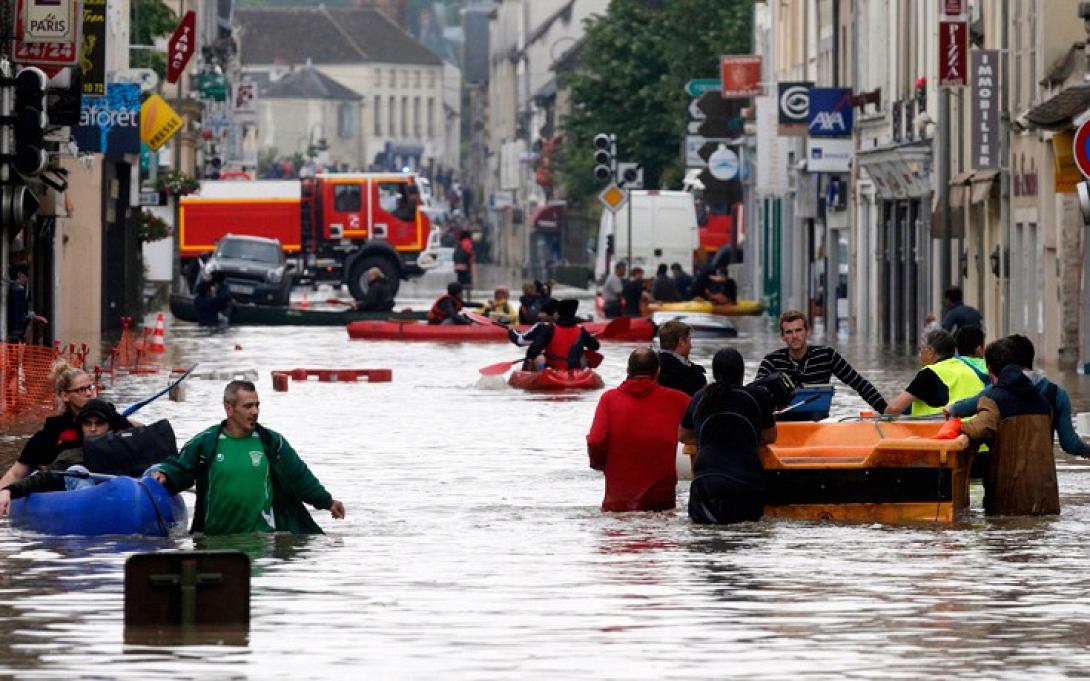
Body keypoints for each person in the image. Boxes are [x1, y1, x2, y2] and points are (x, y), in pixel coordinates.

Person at [151, 380, 345, 535]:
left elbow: (300, 477)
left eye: (257, 405)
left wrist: (328, 502)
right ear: (229, 408)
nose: (255, 412)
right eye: (248, 406)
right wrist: (166, 474)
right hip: (214, 539)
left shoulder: (271, 442)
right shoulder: (207, 442)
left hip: (262, 539)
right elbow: (181, 467)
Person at [0, 400, 176, 513]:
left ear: (110, 426)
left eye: (99, 423)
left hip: (139, 503)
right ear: (81, 427)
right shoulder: (75, 455)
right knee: (76, 470)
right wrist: (9, 490)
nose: (93, 429)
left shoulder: (131, 446)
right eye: (87, 424)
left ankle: (155, 504)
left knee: (156, 469)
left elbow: (175, 463)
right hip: (93, 508)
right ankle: (90, 509)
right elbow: (43, 478)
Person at [958, 339, 1059, 515]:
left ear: (990, 371)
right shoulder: (1043, 400)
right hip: (1046, 497)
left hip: (1010, 499)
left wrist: (957, 426)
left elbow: (977, 429)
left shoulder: (993, 398)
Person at [948, 334, 1090, 458]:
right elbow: (1070, 445)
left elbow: (965, 409)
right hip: (1044, 479)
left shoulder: (994, 392)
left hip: (1005, 481)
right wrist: (1087, 450)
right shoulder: (1057, 394)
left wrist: (951, 410)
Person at [680, 347, 779, 525]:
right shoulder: (756, 397)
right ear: (742, 374)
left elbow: (683, 435)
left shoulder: (700, 397)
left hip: (705, 486)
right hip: (745, 486)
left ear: (715, 373)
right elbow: (771, 436)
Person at [0, 360, 132, 490]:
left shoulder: (112, 418)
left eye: (90, 387)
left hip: (114, 483)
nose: (89, 393)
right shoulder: (50, 435)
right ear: (65, 396)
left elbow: (139, 436)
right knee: (76, 471)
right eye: (81, 390)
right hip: (71, 487)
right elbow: (16, 473)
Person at [586, 348, 690, 512]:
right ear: (658, 372)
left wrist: (598, 463)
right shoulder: (679, 400)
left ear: (628, 371)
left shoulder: (609, 399)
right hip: (659, 503)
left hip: (618, 503)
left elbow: (595, 440)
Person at [757, 310, 888, 413]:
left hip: (816, 419)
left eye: (798, 330)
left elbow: (859, 383)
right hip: (782, 420)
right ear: (783, 336)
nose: (794, 336)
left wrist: (884, 409)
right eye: (789, 332)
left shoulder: (827, 355)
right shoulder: (771, 361)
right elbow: (755, 393)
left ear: (807, 332)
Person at [884, 329, 986, 415]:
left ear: (931, 352)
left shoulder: (929, 373)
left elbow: (893, 409)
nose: (919, 354)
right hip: (974, 431)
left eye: (920, 349)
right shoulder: (970, 367)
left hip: (942, 432)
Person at [523, 299, 600, 371]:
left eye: (556, 312)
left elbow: (532, 351)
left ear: (559, 314)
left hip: (553, 370)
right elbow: (595, 346)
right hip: (575, 370)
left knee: (534, 358)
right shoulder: (581, 330)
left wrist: (532, 357)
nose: (554, 314)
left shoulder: (550, 329)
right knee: (582, 357)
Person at [656, 320, 706, 396]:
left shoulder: (650, 368)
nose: (691, 346)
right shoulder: (693, 376)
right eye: (689, 340)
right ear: (681, 342)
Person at [6, 265, 47, 343]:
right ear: (19, 275)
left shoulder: (14, 289)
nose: (25, 280)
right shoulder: (17, 291)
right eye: (24, 277)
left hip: (15, 329)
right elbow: (21, 312)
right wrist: (37, 317)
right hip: (16, 329)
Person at [453, 230, 474, 301]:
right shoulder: (468, 242)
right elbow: (469, 255)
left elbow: (455, 255)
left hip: (458, 266)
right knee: (468, 284)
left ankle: (460, 299)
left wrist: (455, 266)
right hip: (466, 266)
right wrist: (470, 268)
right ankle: (469, 300)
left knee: (460, 283)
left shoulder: (459, 243)